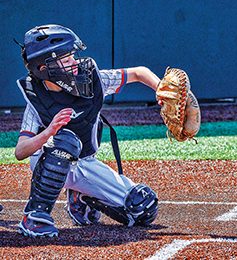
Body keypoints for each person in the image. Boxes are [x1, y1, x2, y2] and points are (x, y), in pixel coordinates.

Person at [14, 24, 160, 237]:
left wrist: (161, 89)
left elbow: (139, 73)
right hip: (48, 161)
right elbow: (20, 151)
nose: (74, 62)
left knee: (143, 207)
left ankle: (80, 196)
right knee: (65, 140)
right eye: (65, 59)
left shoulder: (92, 78)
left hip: (84, 162)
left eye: (72, 56)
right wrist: (48, 132)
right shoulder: (36, 100)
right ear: (43, 68)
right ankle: (35, 217)